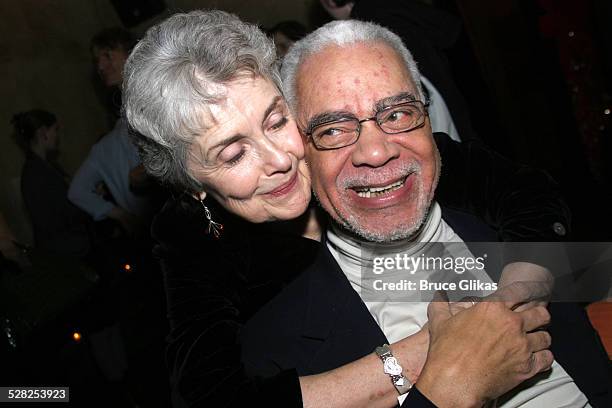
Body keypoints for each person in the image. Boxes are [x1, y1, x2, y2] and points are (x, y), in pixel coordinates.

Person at [123, 10, 570, 407]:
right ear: (192, 185)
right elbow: (210, 395)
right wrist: (426, 355)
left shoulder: (352, 150)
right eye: (233, 154)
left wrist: (507, 303)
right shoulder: (194, 240)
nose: (279, 160)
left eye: (276, 121)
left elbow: (529, 195)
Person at [241, 19, 609, 407]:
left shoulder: (513, 233)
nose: (376, 152)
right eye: (333, 129)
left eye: (398, 114)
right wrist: (448, 385)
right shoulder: (275, 350)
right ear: (299, 152)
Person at [68, 28, 154, 237]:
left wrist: (143, 173)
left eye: (107, 55)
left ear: (130, 53)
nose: (100, 66)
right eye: (97, 59)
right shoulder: (124, 119)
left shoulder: (153, 96)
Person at [11, 110, 91, 257]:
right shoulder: (35, 174)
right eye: (55, 130)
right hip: (65, 252)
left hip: (69, 244)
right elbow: (58, 216)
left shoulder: (46, 166)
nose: (57, 135)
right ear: (43, 133)